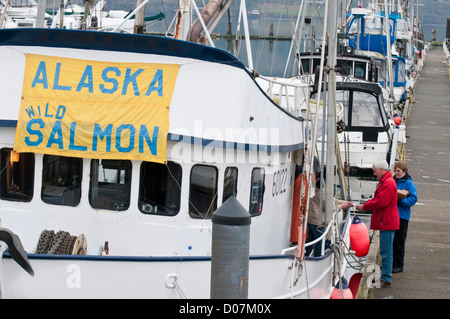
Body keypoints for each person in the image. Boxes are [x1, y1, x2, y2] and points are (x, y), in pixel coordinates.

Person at [356, 159, 399, 288]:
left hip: (387, 220)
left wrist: (364, 207)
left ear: (381, 170)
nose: (374, 174)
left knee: (386, 251)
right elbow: (378, 200)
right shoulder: (386, 182)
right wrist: (367, 204)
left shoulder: (388, 183)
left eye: (375, 171)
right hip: (386, 219)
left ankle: (386, 278)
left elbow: (380, 202)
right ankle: (386, 276)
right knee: (386, 250)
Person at [306, 176, 353, 257]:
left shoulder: (312, 189)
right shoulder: (321, 192)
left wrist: (344, 202)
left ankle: (305, 256)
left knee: (310, 240)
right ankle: (317, 257)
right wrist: (342, 206)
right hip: (317, 222)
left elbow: (331, 200)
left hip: (310, 220)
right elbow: (329, 207)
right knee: (319, 242)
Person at [392, 161, 417, 273]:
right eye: (395, 170)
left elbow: (413, 198)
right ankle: (392, 264)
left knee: (399, 241)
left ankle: (399, 265)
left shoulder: (409, 183)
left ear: (404, 171)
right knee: (392, 241)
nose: (396, 173)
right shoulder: (393, 181)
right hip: (392, 215)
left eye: (398, 171)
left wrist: (401, 201)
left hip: (402, 215)